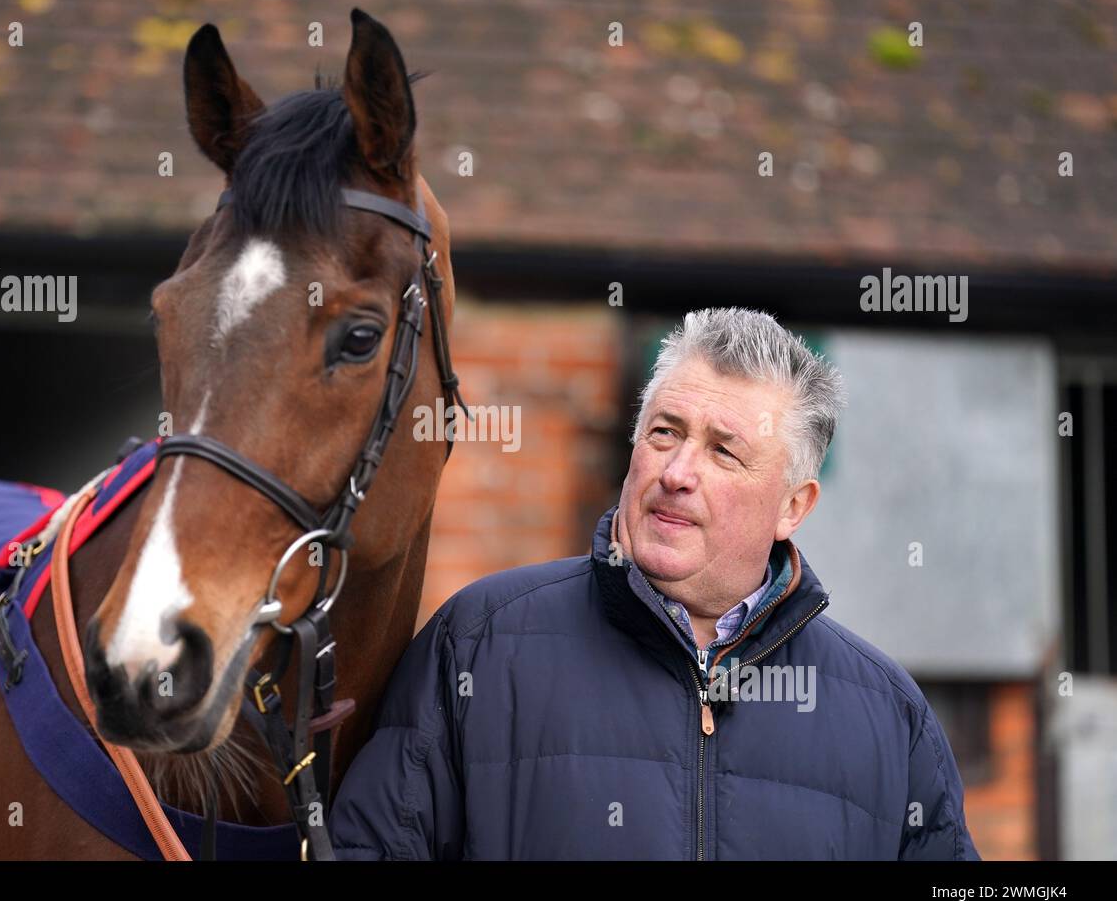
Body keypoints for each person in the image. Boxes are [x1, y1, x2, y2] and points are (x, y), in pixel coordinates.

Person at [329, 306, 980, 860]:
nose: (676, 471)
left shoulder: (890, 716)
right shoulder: (476, 645)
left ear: (793, 507)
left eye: (724, 451)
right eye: (665, 433)